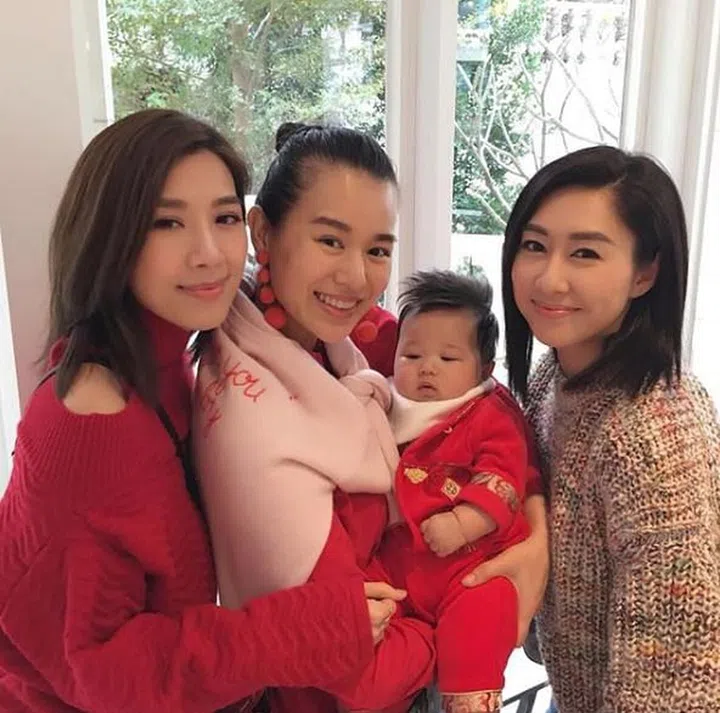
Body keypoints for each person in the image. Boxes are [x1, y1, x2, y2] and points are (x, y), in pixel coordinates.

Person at [0, 109, 403, 713]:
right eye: (167, 222)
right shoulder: (93, 416)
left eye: (223, 218)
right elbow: (103, 673)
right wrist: (299, 630)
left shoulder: (183, 351)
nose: (210, 254)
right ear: (110, 235)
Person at [193, 123, 550, 713]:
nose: (357, 278)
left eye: (378, 250)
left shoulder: (330, 332)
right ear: (263, 232)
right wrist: (453, 631)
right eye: (330, 241)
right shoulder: (259, 432)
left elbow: (482, 402)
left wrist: (536, 532)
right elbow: (360, 670)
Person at [503, 145, 720, 712]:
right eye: (534, 246)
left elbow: (675, 681)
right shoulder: (555, 375)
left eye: (585, 253)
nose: (549, 279)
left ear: (645, 273)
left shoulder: (652, 431)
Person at [341, 269, 541, 713]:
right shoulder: (386, 401)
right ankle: (394, 678)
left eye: (448, 358)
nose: (427, 367)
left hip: (469, 565)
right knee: (359, 643)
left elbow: (505, 475)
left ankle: (468, 700)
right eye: (411, 355)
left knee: (480, 620)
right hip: (398, 565)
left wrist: (466, 520)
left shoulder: (488, 412)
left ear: (484, 369)